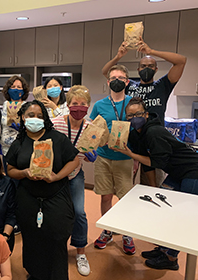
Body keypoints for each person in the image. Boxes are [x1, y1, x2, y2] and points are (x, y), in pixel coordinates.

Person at [113, 97, 198, 270]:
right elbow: (146, 162)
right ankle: (164, 248)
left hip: (193, 171)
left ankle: (171, 258)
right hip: (176, 173)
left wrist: (130, 154)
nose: (133, 118)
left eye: (138, 114)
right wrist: (153, 188)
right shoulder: (138, 134)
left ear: (145, 114)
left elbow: (156, 162)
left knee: (181, 216)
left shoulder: (154, 132)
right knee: (166, 210)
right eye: (129, 116)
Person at [6, 100, 80, 280]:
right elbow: (10, 170)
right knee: (32, 239)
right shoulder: (19, 142)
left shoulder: (57, 138)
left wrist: (57, 176)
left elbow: (74, 160)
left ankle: (57, 275)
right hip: (28, 199)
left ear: (45, 118)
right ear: (23, 118)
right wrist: (24, 173)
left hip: (55, 197)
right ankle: (35, 273)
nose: (35, 119)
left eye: (39, 116)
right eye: (31, 116)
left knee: (56, 238)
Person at [102, 37, 187, 187]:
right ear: (138, 69)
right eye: (143, 66)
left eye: (150, 66)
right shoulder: (130, 86)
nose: (146, 68)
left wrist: (151, 51)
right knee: (128, 189)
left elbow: (181, 60)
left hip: (155, 144)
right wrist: (119, 56)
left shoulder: (162, 85)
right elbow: (105, 72)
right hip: (133, 144)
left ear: (156, 69)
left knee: (154, 188)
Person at [90, 65, 135, 254]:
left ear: (127, 81)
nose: (117, 80)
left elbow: (139, 131)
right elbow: (92, 128)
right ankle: (107, 230)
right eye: (113, 77)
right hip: (104, 157)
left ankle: (126, 234)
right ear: (108, 82)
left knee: (125, 199)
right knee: (105, 195)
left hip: (125, 158)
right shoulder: (100, 105)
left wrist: (137, 158)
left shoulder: (134, 103)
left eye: (121, 77)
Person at [52, 85, 96, 276]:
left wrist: (92, 154)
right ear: (68, 105)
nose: (79, 108)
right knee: (56, 213)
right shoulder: (55, 124)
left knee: (79, 212)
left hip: (75, 174)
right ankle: (55, 250)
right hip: (56, 175)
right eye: (75, 104)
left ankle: (80, 252)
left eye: (83, 104)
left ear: (88, 106)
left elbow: (92, 152)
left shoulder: (91, 127)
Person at [0, 75, 30, 168]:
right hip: (6, 150)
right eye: (13, 87)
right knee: (9, 179)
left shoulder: (28, 107)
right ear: (8, 90)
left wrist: (22, 128)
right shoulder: (5, 105)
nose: (16, 89)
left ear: (23, 90)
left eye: (19, 87)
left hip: (22, 149)